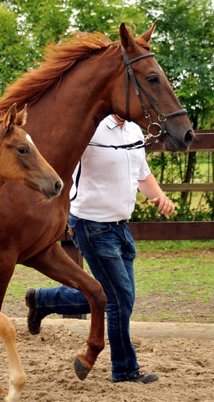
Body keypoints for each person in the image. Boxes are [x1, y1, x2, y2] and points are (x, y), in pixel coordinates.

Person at [26, 114, 175, 384]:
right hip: (91, 225)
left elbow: (142, 174)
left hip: (121, 227)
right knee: (120, 299)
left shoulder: (133, 131)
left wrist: (159, 195)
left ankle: (43, 300)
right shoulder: (90, 128)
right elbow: (57, 159)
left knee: (114, 296)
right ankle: (125, 370)